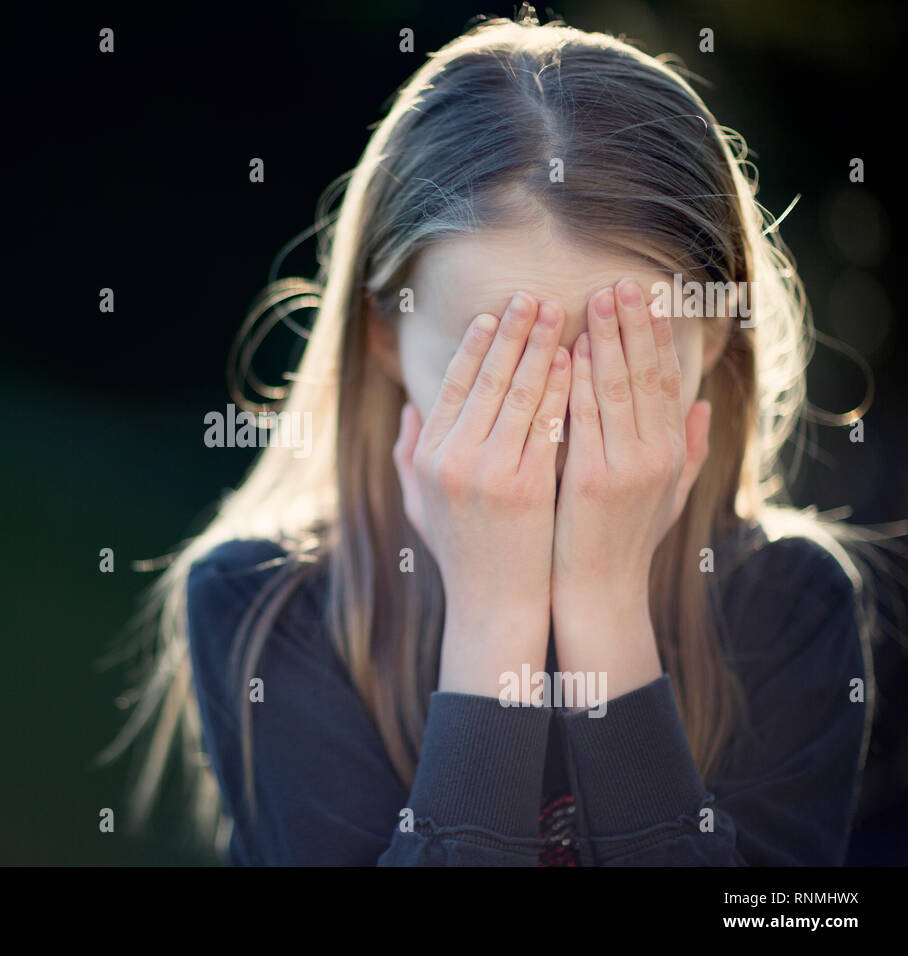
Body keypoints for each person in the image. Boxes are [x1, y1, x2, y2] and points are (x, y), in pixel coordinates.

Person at [98, 13, 904, 865]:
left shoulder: (792, 605)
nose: (552, 420)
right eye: (497, 367)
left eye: (615, 363)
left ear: (712, 343)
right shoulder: (267, 608)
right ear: (383, 337)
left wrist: (601, 604)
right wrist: (497, 615)